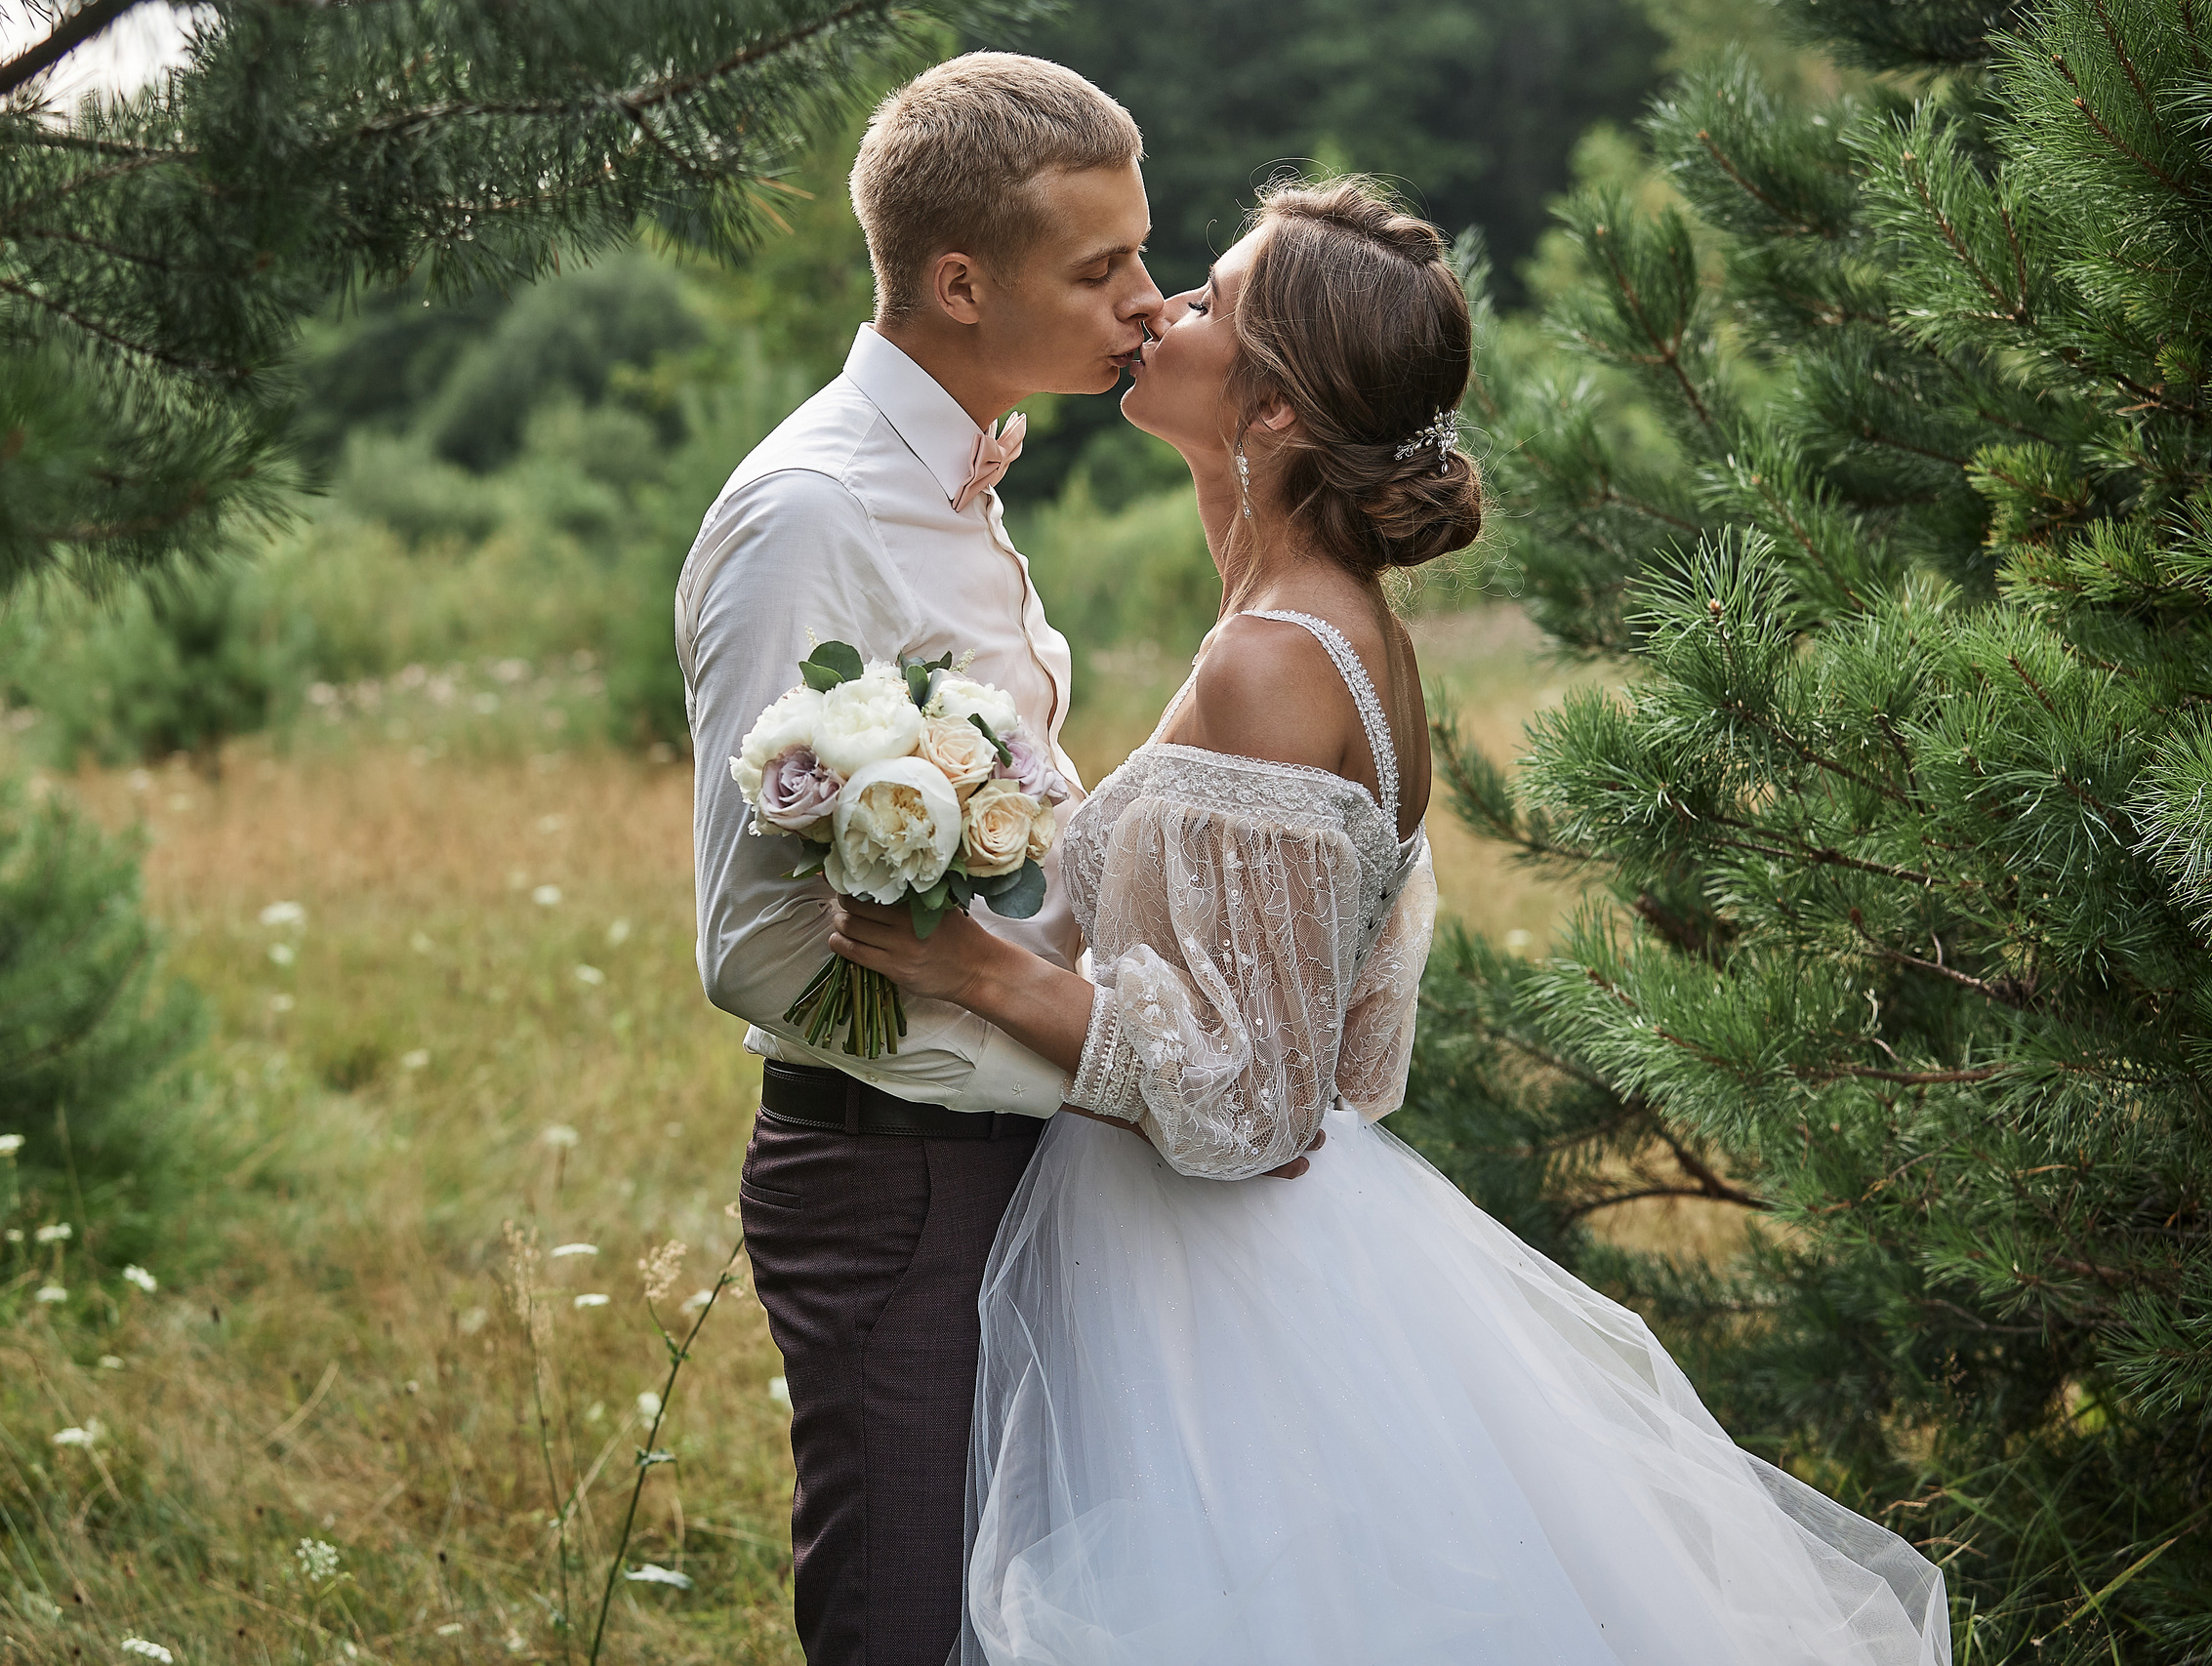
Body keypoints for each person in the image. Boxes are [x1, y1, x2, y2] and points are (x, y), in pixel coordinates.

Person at [826, 179, 1955, 1664]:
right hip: (1230, 1256)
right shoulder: (1319, 630)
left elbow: (1262, 1095)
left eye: (1211, 299)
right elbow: (1346, 1041)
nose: (1165, 308)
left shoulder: (1283, 663)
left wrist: (972, 970)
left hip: (1217, 1295)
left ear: (1278, 411)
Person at [674, 53, 1169, 1666]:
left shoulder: (957, 482)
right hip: (895, 1172)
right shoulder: (815, 515)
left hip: (1014, 1157)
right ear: (963, 282)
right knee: (902, 1628)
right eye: (1102, 269)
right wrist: (1024, 1013)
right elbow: (752, 946)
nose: (1147, 303)